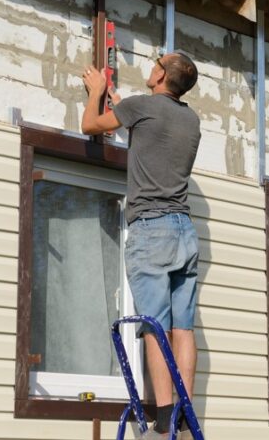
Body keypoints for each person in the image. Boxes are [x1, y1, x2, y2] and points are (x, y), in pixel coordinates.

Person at [81, 52, 201, 438]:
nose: (152, 67)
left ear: (163, 75)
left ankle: (164, 415)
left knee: (154, 326)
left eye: (157, 64)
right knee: (183, 327)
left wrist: (97, 92)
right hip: (185, 230)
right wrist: (118, 98)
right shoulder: (190, 119)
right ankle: (184, 409)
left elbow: (89, 125)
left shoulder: (141, 108)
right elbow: (141, 122)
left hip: (152, 230)